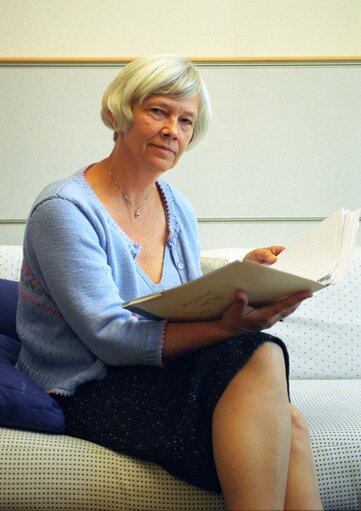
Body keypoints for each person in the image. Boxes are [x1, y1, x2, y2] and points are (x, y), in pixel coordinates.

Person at [16, 54, 323, 511]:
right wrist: (232, 325)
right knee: (258, 353)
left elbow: (183, 300)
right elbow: (109, 337)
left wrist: (247, 274)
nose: (172, 131)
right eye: (158, 111)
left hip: (157, 373)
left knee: (290, 423)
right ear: (122, 111)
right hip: (87, 386)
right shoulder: (64, 209)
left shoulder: (174, 204)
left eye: (185, 121)